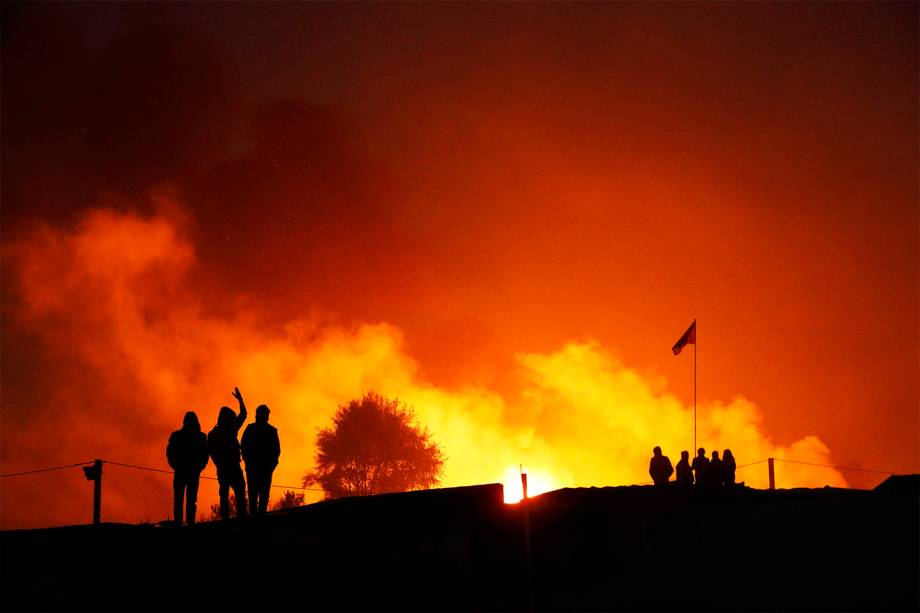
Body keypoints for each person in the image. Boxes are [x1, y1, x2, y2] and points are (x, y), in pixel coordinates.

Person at [208, 387, 248, 520]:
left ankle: (227, 520)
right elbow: (243, 415)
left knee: (226, 494)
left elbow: (242, 415)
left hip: (225, 468)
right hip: (230, 467)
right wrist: (240, 400)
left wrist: (219, 464)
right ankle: (240, 519)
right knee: (237, 493)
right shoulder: (230, 430)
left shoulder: (214, 434)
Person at [166, 411, 209, 525]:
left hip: (189, 472)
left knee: (186, 499)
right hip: (184, 471)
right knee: (184, 499)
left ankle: (185, 522)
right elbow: (170, 453)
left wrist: (199, 467)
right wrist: (176, 466)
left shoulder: (198, 437)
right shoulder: (199, 437)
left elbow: (205, 455)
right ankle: (183, 522)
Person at [241, 404, 281, 514]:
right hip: (257, 468)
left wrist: (271, 466)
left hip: (261, 469)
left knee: (260, 497)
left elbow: (276, 451)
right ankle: (258, 521)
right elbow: (243, 447)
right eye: (265, 415)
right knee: (256, 497)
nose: (266, 417)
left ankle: (258, 521)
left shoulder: (268, 431)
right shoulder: (267, 431)